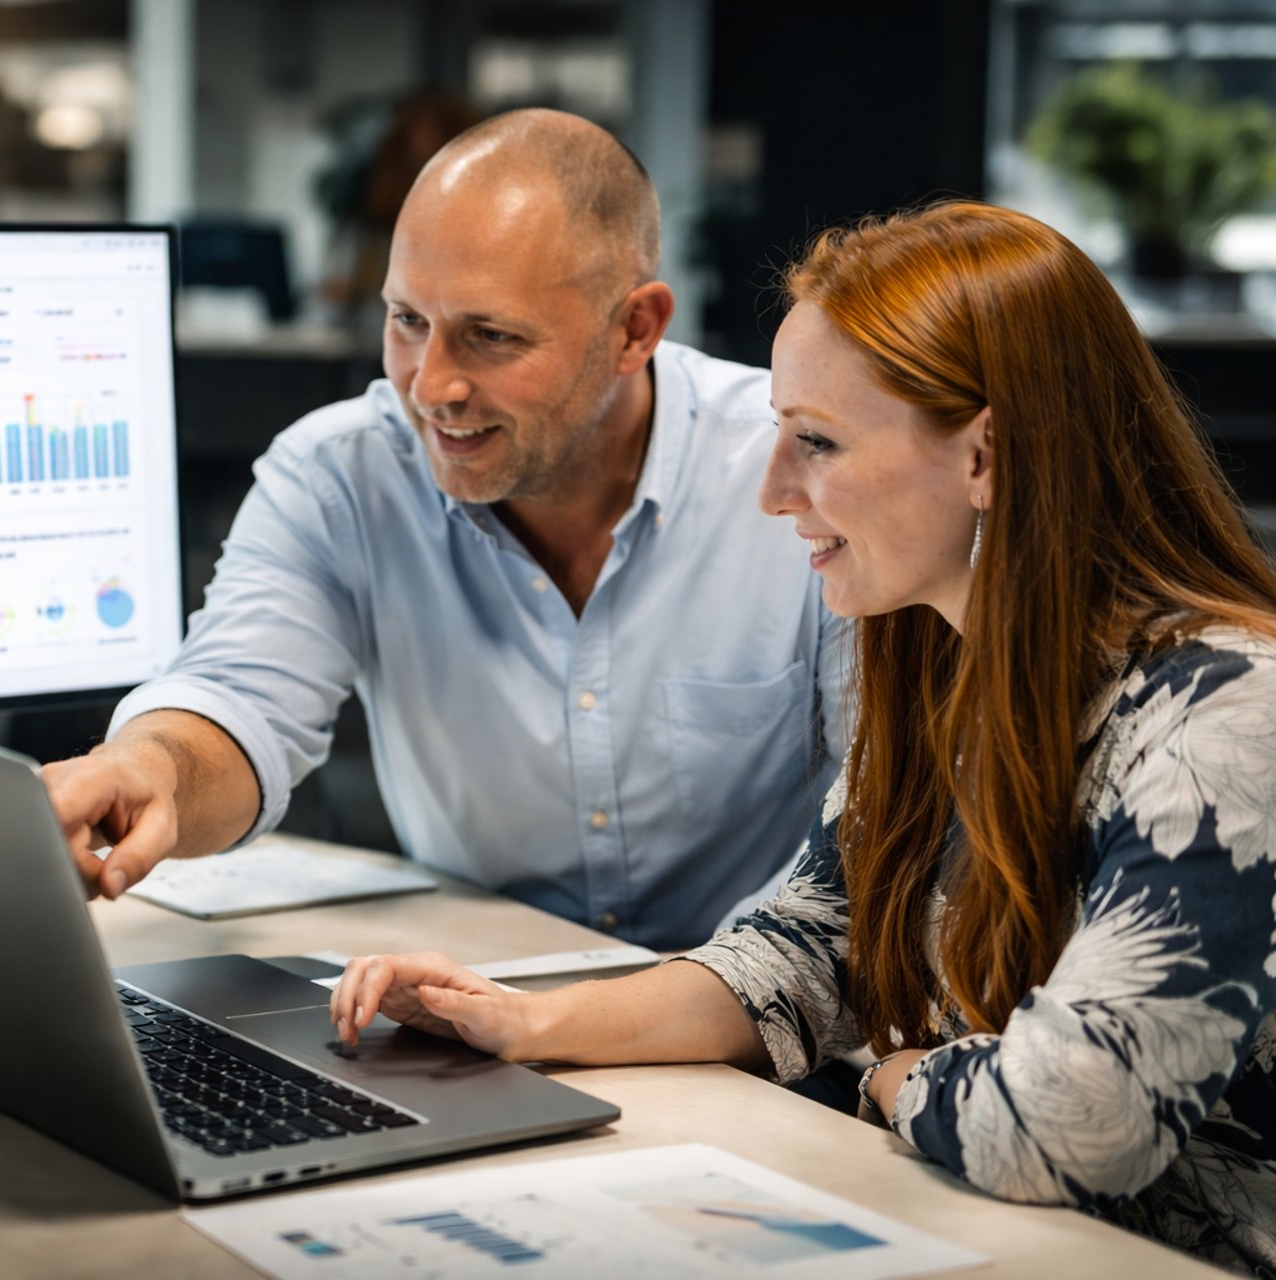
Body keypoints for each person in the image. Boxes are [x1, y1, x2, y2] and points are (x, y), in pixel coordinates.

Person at [327, 201, 1276, 1273]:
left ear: (985, 455)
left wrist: (887, 1074)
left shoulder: (1230, 720)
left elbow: (1071, 1126)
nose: (775, 491)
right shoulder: (944, 661)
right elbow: (807, 951)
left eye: (816, 441)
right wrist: (527, 1022)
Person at [43, 109, 848, 950]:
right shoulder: (342, 474)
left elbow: (892, 833)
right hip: (477, 1008)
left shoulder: (801, 472)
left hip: (762, 1025)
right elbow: (240, 697)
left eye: (490, 336)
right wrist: (150, 770)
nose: (430, 387)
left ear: (633, 329)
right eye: (407, 322)